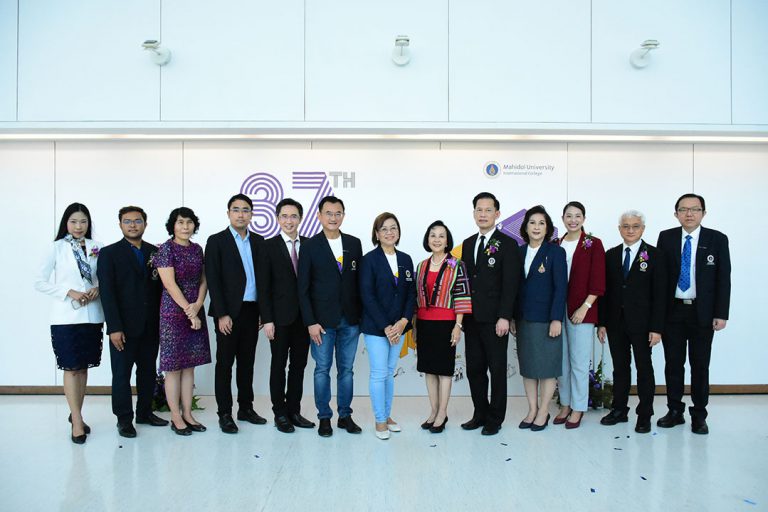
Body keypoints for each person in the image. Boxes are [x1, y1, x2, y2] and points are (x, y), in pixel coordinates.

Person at [656, 193, 730, 435]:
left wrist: (721, 313)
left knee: (700, 365)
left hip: (703, 312)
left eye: (695, 209)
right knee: (673, 364)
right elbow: (660, 279)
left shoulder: (717, 239)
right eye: (683, 209)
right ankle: (674, 411)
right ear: (676, 213)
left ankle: (699, 415)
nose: (689, 214)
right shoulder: (666, 238)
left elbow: (723, 279)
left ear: (703, 213)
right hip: (673, 311)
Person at [35, 203, 104, 444]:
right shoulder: (56, 248)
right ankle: (76, 420)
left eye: (83, 222)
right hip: (66, 317)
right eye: (73, 221)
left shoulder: (97, 247)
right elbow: (39, 281)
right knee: (71, 368)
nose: (78, 226)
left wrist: (98, 288)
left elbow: (104, 277)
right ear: (66, 223)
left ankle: (77, 414)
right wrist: (68, 292)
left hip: (92, 315)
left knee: (83, 368)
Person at [97, 206, 168, 438]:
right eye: (127, 221)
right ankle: (124, 419)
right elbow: (107, 293)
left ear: (145, 224)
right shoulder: (109, 253)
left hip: (151, 325)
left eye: (137, 221)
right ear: (120, 225)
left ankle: (145, 413)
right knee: (121, 375)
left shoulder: (155, 252)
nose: (133, 225)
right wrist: (114, 327)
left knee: (147, 372)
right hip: (123, 327)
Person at [297, 195, 363, 437]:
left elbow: (359, 282)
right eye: (328, 213)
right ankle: (324, 417)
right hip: (321, 322)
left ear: (343, 215)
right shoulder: (310, 246)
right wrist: (310, 322)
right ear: (319, 216)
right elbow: (303, 288)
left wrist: (361, 317)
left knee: (347, 370)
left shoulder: (354, 243)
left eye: (338, 213)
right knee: (322, 369)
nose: (333, 217)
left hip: (350, 320)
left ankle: (345, 416)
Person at [597, 210, 666, 434]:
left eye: (635, 226)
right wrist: (602, 323)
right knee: (620, 368)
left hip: (643, 324)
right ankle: (619, 410)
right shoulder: (611, 255)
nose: (630, 230)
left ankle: (644, 414)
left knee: (644, 368)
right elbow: (604, 292)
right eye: (626, 226)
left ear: (642, 229)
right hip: (615, 322)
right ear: (619, 229)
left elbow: (660, 295)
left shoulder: (655, 255)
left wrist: (657, 328)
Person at [460, 192, 522, 436]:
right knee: (474, 369)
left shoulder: (508, 244)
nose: (483, 214)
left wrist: (505, 316)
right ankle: (480, 413)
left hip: (496, 319)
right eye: (479, 209)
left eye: (488, 210)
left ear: (497, 214)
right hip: (471, 319)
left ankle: (495, 419)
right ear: (473, 213)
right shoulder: (467, 244)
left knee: (496, 370)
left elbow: (511, 284)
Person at [204, 194, 266, 434]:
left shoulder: (258, 241)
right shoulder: (216, 241)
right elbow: (213, 279)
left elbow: (263, 279)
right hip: (228, 313)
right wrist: (222, 314)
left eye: (246, 210)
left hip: (252, 310)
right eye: (236, 209)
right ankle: (225, 413)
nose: (241, 214)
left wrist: (263, 312)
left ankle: (246, 408)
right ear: (228, 213)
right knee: (225, 363)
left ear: (251, 214)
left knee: (247, 362)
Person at [257, 198, 315, 433]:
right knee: (278, 365)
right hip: (279, 319)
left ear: (300, 219)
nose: (289, 220)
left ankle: (294, 411)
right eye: (284, 216)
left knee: (299, 366)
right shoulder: (267, 246)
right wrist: (267, 319)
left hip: (305, 318)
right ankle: (279, 413)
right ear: (277, 218)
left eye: (293, 216)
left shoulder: (310, 245)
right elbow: (263, 287)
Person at [154, 207, 211, 436]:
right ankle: (175, 416)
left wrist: (198, 304)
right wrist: (190, 312)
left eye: (189, 222)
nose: (185, 226)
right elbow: (169, 284)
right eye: (180, 222)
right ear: (173, 226)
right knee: (173, 368)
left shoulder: (197, 249)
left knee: (189, 366)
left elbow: (204, 280)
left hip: (195, 308)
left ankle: (188, 413)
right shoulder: (166, 249)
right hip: (173, 314)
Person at [359, 212, 416, 440]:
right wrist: (386, 326)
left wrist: (403, 321)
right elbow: (367, 295)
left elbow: (410, 294)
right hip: (376, 328)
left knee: (390, 373)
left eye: (393, 228)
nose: (389, 232)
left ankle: (387, 414)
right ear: (376, 234)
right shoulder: (369, 260)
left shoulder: (406, 259)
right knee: (379, 373)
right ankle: (380, 419)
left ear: (399, 232)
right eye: (384, 229)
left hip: (399, 327)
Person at [512, 206, 568, 432]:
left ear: (548, 228)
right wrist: (513, 317)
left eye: (541, 223)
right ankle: (532, 409)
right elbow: (514, 288)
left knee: (546, 367)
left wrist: (556, 319)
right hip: (523, 319)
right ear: (525, 227)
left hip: (547, 320)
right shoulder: (518, 252)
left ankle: (543, 411)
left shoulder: (555, 252)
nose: (536, 227)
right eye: (532, 223)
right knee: (528, 367)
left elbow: (561, 288)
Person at [414, 220, 472, 434]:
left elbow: (462, 296)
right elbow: (416, 298)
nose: (437, 239)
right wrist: (415, 326)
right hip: (424, 323)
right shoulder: (421, 265)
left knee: (444, 370)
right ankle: (433, 411)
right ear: (427, 240)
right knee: (429, 369)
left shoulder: (457, 264)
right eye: (433, 235)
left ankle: (443, 413)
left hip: (447, 323)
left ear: (447, 241)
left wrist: (458, 325)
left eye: (441, 236)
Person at [554, 201, 606, 429]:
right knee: (562, 362)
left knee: (579, 362)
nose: (573, 220)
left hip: (582, 311)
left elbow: (598, 281)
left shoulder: (593, 244)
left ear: (584, 218)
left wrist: (585, 307)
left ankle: (578, 407)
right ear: (562, 219)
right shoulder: (555, 244)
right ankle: (565, 404)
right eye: (569, 216)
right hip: (558, 311)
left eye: (577, 216)